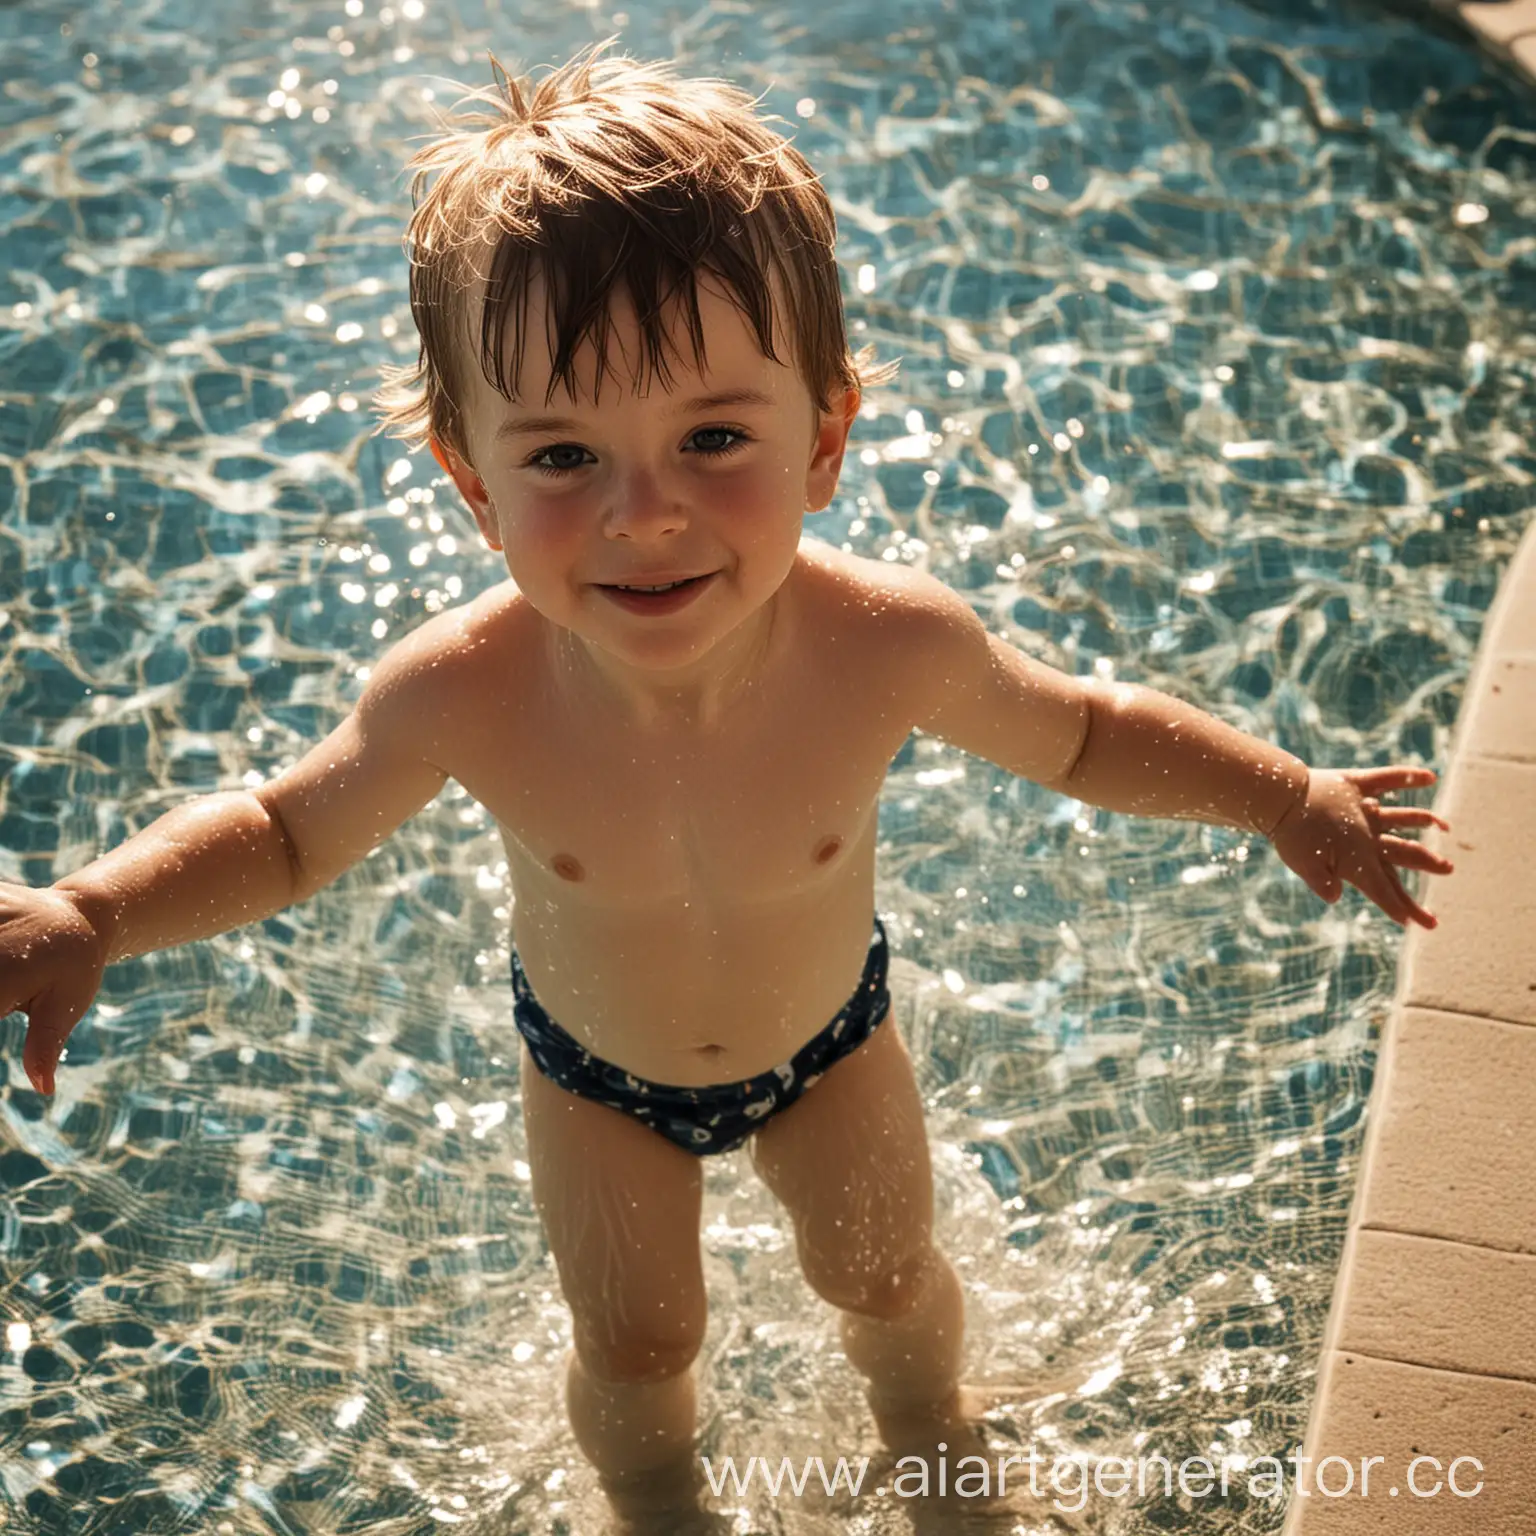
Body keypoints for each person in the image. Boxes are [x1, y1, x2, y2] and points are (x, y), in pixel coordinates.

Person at [1, 37, 1454, 1535]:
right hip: (596, 1084)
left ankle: (929, 1433)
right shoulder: (461, 693)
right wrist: (97, 910)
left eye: (713, 437)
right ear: (469, 482)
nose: (645, 514)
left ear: (825, 438)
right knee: (638, 1344)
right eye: (563, 453)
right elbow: (289, 832)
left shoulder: (884, 646)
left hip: (830, 1044)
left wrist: (1284, 794)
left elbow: (1080, 733)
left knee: (886, 1279)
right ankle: (656, 1506)